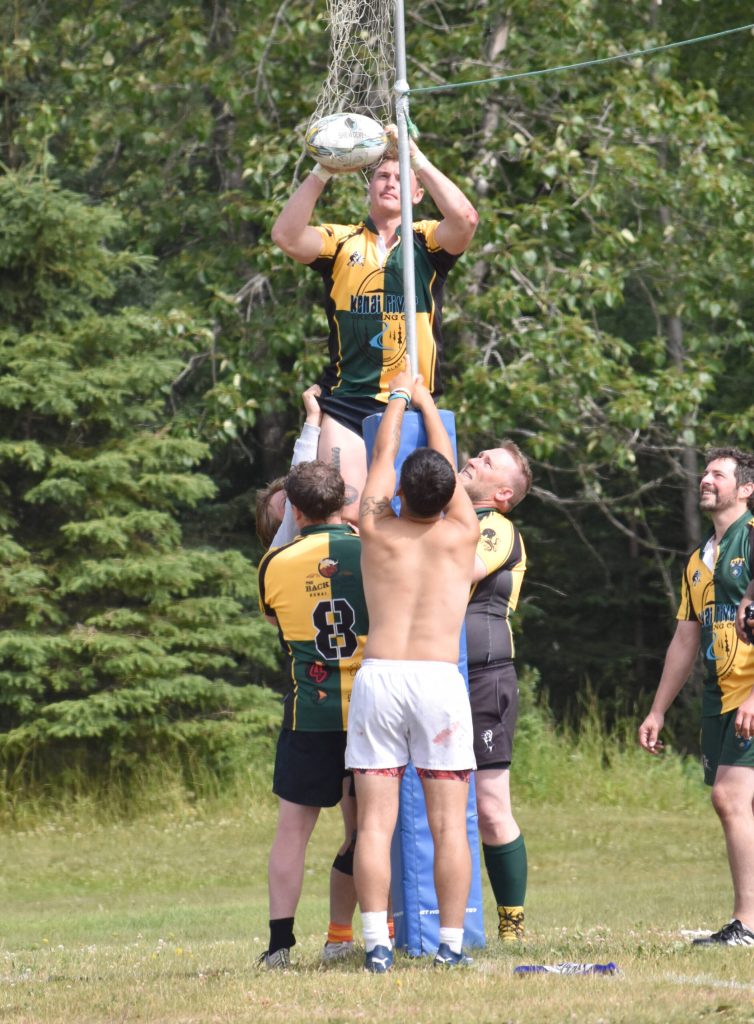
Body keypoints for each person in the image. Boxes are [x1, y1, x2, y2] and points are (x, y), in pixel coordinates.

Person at [270, 127, 479, 524]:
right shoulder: (342, 240)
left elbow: (467, 218)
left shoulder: (427, 240)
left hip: (414, 401)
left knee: (419, 516)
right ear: (368, 188)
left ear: (418, 195)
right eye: (383, 176)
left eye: (402, 179)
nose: (390, 182)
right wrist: (323, 171)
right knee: (346, 511)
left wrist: (415, 157)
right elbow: (285, 235)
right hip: (349, 402)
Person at [345, 363, 480, 972]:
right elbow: (444, 465)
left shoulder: (374, 528)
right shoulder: (464, 535)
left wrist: (397, 398)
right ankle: (450, 945)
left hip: (381, 678)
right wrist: (429, 401)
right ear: (450, 492)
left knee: (375, 823)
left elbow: (384, 454)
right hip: (436, 680)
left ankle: (376, 943)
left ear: (402, 490)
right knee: (451, 824)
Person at [638, 447, 754, 947]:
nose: (705, 479)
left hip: (749, 694)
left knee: (729, 797)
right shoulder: (698, 560)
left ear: (746, 490)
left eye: (718, 475)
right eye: (705, 473)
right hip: (720, 697)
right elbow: (686, 638)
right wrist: (658, 710)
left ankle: (746, 923)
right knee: (736, 802)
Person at [256, 460, 368, 968]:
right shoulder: (372, 550)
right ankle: (348, 937)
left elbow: (278, 617)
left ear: (295, 511)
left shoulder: (274, 564)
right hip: (371, 709)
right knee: (367, 829)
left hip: (312, 714)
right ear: (343, 501)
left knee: (292, 833)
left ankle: (280, 945)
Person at [457, 442, 533, 942]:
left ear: (502, 493)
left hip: (485, 675)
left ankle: (512, 922)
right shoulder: (451, 519)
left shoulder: (495, 527)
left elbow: (460, 573)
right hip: (437, 674)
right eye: (477, 453)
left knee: (489, 804)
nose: (474, 460)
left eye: (488, 462)